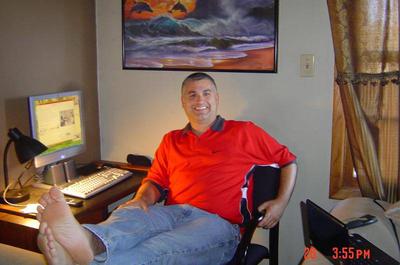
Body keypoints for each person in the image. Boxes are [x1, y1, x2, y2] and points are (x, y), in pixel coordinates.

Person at [36, 72, 297, 265]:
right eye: (191, 94)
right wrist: (140, 200)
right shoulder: (172, 139)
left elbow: (288, 161)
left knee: (157, 249)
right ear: (183, 102)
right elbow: (155, 182)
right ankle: (87, 241)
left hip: (219, 226)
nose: (200, 100)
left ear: (217, 98)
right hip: (173, 213)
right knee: (129, 217)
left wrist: (281, 202)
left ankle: (82, 260)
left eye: (206, 93)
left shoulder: (244, 132)